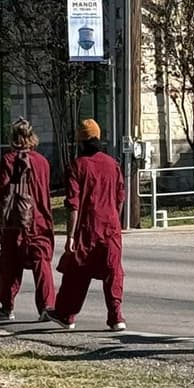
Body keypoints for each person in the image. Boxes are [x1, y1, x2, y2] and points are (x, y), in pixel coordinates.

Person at [45, 120, 126, 332]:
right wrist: (115, 220)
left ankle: (66, 314)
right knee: (113, 272)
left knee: (77, 272)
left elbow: (74, 204)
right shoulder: (113, 164)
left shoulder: (77, 166)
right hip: (111, 227)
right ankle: (116, 317)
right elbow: (120, 197)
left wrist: (70, 235)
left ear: (80, 141)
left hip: (87, 227)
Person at [0, 118, 55, 321]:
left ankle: (7, 307)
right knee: (41, 263)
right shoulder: (42, 162)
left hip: (16, 221)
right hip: (40, 218)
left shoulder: (8, 160)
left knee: (10, 264)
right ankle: (47, 306)